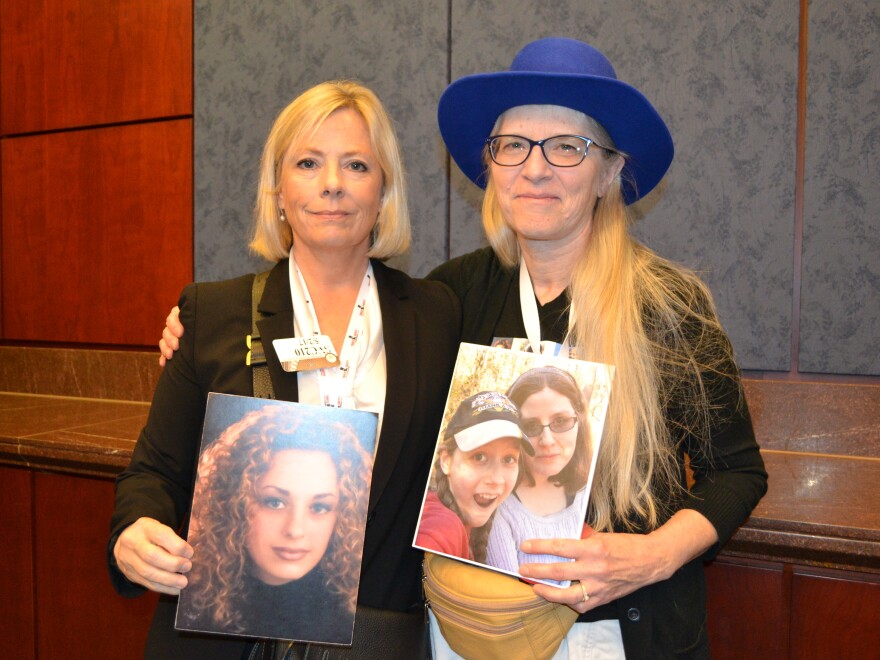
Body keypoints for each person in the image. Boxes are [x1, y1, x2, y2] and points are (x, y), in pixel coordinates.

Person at [160, 38, 768, 658]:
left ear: (610, 171)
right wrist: (196, 337)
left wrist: (652, 556)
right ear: (491, 166)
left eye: (567, 147)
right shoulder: (454, 297)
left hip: (618, 632)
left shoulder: (668, 307)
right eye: (513, 147)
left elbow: (738, 471)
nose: (535, 169)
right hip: (466, 633)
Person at [109, 79, 460, 659]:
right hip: (226, 641)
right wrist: (134, 530)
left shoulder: (438, 314)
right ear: (277, 189)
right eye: (307, 162)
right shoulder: (214, 313)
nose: (331, 184)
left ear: (384, 190)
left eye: (355, 164)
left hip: (374, 640)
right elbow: (155, 472)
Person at [178, 403, 372, 643]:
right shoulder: (193, 605)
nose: (295, 529)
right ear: (234, 502)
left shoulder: (355, 615)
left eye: (319, 507)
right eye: (274, 502)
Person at [485, 367, 592, 578]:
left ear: (579, 420)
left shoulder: (593, 490)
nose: (547, 440)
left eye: (560, 421)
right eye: (530, 426)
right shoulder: (498, 508)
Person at [415, 391, 529, 562]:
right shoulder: (442, 526)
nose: (497, 479)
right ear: (446, 460)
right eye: (479, 457)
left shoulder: (498, 526)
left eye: (509, 459)